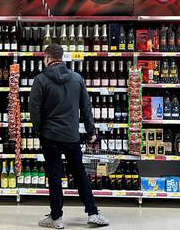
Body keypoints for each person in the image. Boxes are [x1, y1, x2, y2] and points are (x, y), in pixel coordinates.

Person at [29, 44, 110, 229]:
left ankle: (56, 218)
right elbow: (86, 108)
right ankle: (93, 213)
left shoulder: (40, 80)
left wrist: (39, 131)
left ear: (47, 58)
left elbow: (34, 109)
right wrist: (91, 132)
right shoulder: (77, 78)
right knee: (80, 174)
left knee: (55, 175)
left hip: (50, 136)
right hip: (71, 136)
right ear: (62, 57)